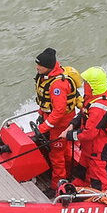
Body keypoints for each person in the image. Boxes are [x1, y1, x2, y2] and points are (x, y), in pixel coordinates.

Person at [32, 47, 83, 192]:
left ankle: (56, 186)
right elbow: (45, 100)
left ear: (47, 66)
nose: (37, 67)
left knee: (57, 155)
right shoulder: (46, 77)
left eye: (39, 65)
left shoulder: (58, 85)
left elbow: (59, 111)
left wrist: (43, 128)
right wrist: (42, 115)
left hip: (60, 125)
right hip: (52, 121)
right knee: (64, 152)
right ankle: (68, 173)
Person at [75, 67, 107, 191]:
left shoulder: (99, 107)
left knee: (97, 170)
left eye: (86, 83)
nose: (84, 85)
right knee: (84, 163)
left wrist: (70, 135)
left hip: (98, 144)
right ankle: (82, 184)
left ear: (92, 85)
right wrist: (73, 123)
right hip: (90, 144)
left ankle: (102, 194)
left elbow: (89, 133)